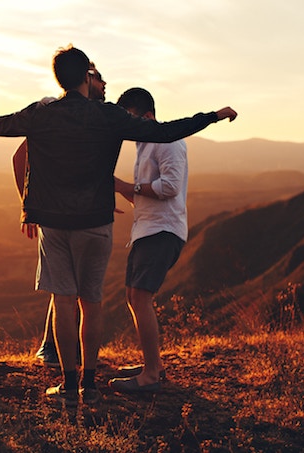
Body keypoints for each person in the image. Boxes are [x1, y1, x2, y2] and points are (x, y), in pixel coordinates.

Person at [0, 45, 237, 407]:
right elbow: (167, 131)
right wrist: (213, 116)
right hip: (96, 221)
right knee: (92, 302)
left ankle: (69, 386)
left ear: (59, 77)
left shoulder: (42, 114)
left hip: (55, 223)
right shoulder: (107, 116)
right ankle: (90, 384)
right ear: (86, 78)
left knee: (64, 303)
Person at [12, 63, 107, 368]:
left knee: (68, 287)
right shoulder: (55, 113)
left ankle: (60, 354)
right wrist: (28, 206)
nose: (106, 85)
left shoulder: (90, 117)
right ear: (84, 80)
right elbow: (19, 156)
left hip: (77, 211)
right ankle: (53, 351)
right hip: (58, 214)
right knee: (65, 288)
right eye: (99, 78)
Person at [108, 87, 189, 393]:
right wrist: (119, 188)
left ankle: (151, 375)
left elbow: (169, 187)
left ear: (147, 115)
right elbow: (144, 192)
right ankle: (151, 364)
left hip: (162, 230)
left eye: (128, 118)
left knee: (140, 297)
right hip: (147, 229)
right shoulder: (145, 144)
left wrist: (129, 186)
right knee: (133, 296)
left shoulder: (166, 141)